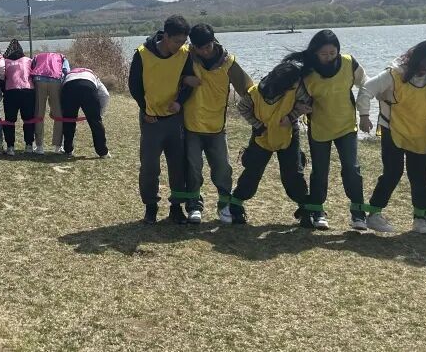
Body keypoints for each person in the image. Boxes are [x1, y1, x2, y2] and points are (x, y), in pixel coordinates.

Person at [284, 29, 372, 231]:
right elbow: (295, 97)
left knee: (351, 168)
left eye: (333, 53)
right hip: (320, 128)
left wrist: (365, 114)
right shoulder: (307, 72)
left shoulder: (349, 63)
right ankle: (318, 211)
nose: (329, 57)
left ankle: (358, 213)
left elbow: (367, 85)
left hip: (346, 126)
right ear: (315, 52)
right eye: (323, 54)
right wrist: (299, 108)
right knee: (320, 171)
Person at [359, 40, 426, 235]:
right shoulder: (395, 73)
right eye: (425, 62)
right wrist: (364, 115)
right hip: (393, 129)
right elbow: (367, 89)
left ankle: (420, 219)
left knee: (419, 177)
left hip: (420, 133)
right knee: (393, 172)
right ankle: (374, 214)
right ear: (416, 58)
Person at [176, 24, 253, 224]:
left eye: (208, 46)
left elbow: (248, 89)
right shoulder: (185, 56)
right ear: (193, 46)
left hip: (217, 127)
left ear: (214, 41)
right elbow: (167, 75)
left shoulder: (228, 63)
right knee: (193, 168)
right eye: (199, 48)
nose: (204, 51)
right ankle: (194, 205)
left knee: (223, 168)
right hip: (191, 125)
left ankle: (224, 205)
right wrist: (184, 79)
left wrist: (267, 108)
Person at [228, 61, 314, 227]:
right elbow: (242, 108)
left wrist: (291, 117)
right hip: (262, 135)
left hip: (288, 134)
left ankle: (305, 208)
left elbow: (308, 104)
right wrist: (259, 126)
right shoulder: (255, 93)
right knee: (252, 171)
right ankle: (236, 204)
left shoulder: (296, 87)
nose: (296, 85)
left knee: (293, 172)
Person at [128, 15, 194, 224]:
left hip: (174, 119)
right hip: (151, 120)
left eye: (183, 41)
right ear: (165, 36)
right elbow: (134, 86)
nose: (180, 45)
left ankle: (176, 208)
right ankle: (151, 207)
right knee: (149, 166)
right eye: (176, 41)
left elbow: (189, 82)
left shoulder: (185, 54)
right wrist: (145, 109)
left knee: (178, 165)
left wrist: (180, 102)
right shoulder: (143, 54)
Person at [59, 66, 111, 159]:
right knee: (95, 122)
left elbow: (60, 91)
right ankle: (103, 152)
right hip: (88, 87)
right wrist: (99, 113)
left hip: (69, 87)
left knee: (69, 121)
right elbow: (105, 95)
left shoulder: (68, 75)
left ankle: (68, 149)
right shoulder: (93, 75)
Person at [31, 50, 71, 154]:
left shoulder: (37, 56)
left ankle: (39, 147)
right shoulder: (62, 57)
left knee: (39, 114)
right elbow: (66, 71)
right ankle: (58, 146)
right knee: (58, 115)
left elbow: (31, 68)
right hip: (55, 81)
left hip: (39, 80)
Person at [2, 40, 36, 155]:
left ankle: (10, 147)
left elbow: (1, 77)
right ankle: (29, 145)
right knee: (28, 119)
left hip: (11, 91)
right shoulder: (28, 60)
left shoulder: (5, 61)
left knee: (9, 120)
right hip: (27, 91)